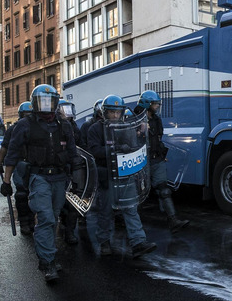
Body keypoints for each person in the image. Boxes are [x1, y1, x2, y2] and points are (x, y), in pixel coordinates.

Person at [1, 84, 79, 282]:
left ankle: (49, 254)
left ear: (55, 103)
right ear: (35, 103)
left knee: (53, 217)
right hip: (39, 177)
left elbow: (73, 154)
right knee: (45, 217)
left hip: (60, 178)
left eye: (50, 101)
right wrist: (6, 180)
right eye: (42, 102)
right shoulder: (24, 125)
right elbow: (12, 153)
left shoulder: (64, 125)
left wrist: (78, 180)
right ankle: (47, 262)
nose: (46, 106)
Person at [88, 94, 157, 258]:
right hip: (107, 176)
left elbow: (135, 146)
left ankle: (138, 242)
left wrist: (138, 139)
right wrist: (113, 151)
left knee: (131, 209)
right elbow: (94, 151)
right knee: (106, 212)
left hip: (124, 173)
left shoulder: (126, 127)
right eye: (112, 112)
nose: (115, 115)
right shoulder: (95, 129)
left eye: (118, 112)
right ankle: (104, 241)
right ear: (104, 112)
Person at [134, 90, 190, 233]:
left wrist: (161, 152)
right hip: (141, 161)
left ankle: (173, 220)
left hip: (156, 158)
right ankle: (134, 226)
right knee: (139, 194)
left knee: (164, 190)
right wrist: (139, 131)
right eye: (155, 103)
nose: (157, 106)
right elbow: (130, 139)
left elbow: (158, 138)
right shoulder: (134, 119)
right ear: (147, 103)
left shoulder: (156, 119)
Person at [0, 101, 36, 235]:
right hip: (20, 165)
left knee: (36, 194)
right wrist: (0, 163)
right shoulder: (14, 129)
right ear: (20, 114)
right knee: (22, 194)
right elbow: (5, 148)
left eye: (30, 114)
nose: (28, 116)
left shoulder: (38, 127)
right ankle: (25, 222)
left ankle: (33, 220)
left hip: (36, 165)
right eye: (26, 114)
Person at [57, 100, 83, 245]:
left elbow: (80, 144)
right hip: (58, 169)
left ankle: (70, 232)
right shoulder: (55, 126)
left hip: (72, 168)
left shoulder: (73, 126)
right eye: (63, 109)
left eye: (68, 109)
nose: (66, 112)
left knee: (73, 202)